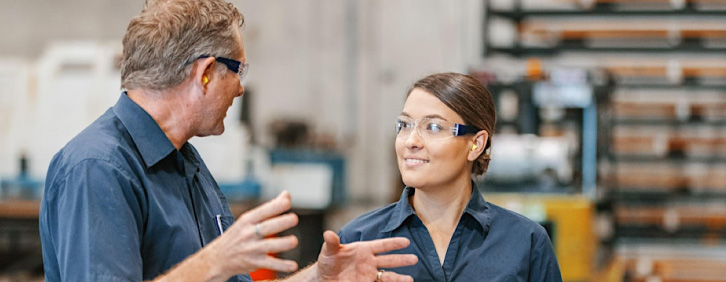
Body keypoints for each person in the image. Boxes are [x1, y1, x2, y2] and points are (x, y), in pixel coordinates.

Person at [38, 0, 417, 281]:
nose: (239, 88)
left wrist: (319, 276)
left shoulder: (186, 164)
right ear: (204, 73)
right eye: (237, 70)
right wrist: (214, 261)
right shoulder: (98, 170)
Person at [338, 72, 563, 281]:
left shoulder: (525, 242)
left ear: (476, 144)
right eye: (405, 125)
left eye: (434, 127)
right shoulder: (360, 239)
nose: (411, 141)